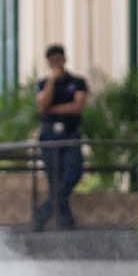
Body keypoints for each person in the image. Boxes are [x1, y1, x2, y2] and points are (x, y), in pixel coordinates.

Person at [33, 44, 89, 231]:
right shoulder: (44, 83)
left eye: (58, 59)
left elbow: (77, 106)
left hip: (71, 132)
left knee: (73, 172)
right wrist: (51, 82)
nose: (56, 63)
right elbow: (41, 105)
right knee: (54, 178)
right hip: (50, 134)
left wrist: (53, 110)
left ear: (64, 59)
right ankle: (65, 221)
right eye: (52, 61)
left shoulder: (77, 82)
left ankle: (44, 211)